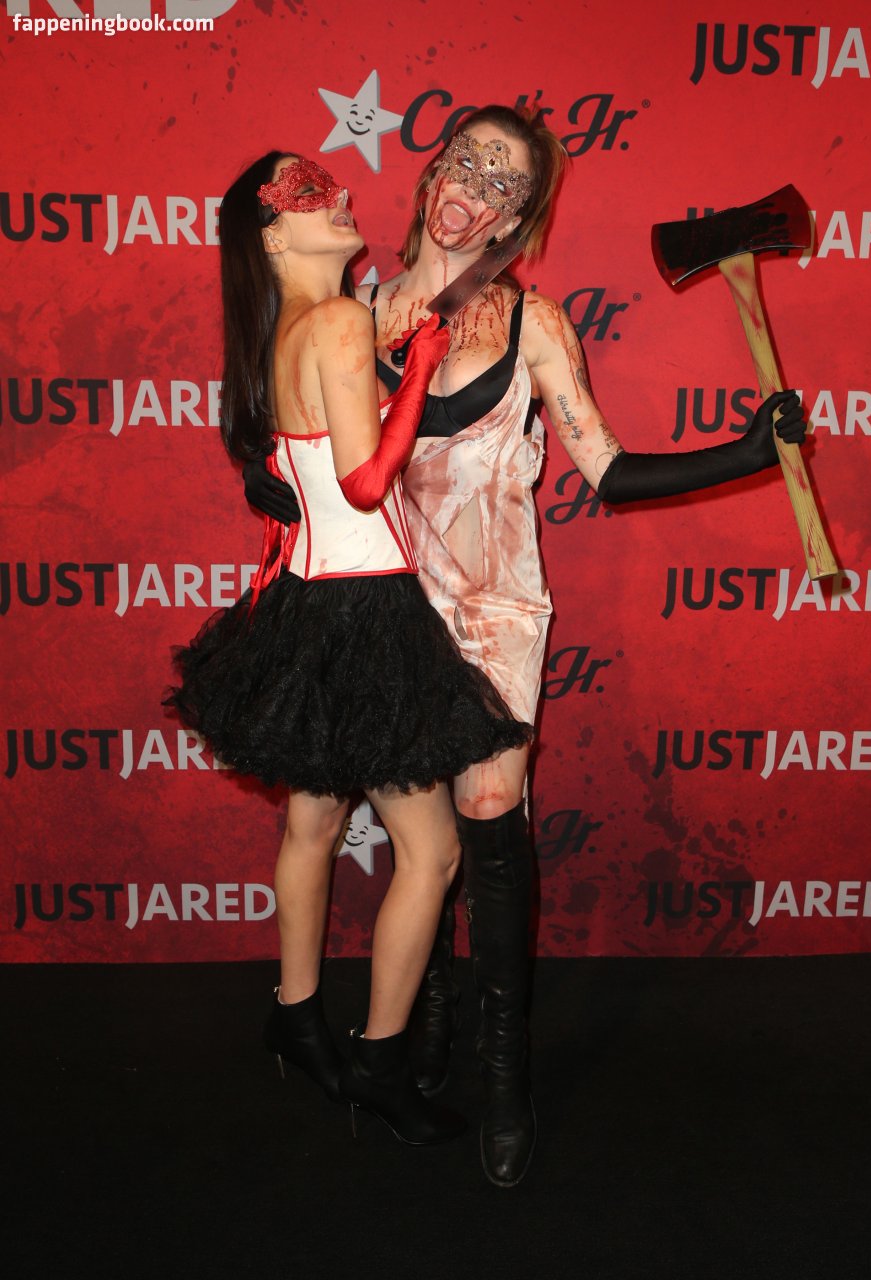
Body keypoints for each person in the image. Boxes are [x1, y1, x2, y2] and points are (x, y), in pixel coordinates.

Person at [243, 109, 806, 1186]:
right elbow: (309, 438)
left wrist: (745, 453)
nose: (479, 184)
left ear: (515, 220)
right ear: (432, 176)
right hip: (391, 612)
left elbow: (608, 469)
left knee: (489, 816)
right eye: (468, 160)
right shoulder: (358, 308)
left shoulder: (535, 323)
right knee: (421, 842)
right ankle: (425, 1026)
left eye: (505, 181)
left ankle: (504, 1074)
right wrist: (270, 478)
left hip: (497, 609)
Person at [168, 150, 532, 1147]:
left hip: (303, 604)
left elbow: (293, 458)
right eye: (306, 196)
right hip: (363, 607)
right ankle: (377, 1061)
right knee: (434, 849)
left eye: (327, 187)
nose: (337, 198)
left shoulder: (283, 331)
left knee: (312, 821)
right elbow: (367, 485)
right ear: (271, 236)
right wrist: (420, 367)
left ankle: (294, 1017)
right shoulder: (335, 322)